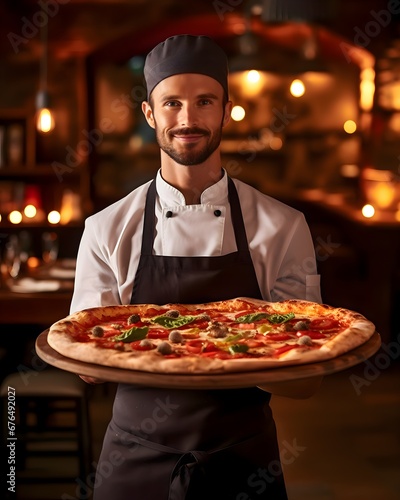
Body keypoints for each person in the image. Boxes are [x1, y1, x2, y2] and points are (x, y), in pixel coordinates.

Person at [71, 34, 322, 500]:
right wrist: (216, 346)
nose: (188, 119)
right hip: (134, 456)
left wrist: (213, 350)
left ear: (226, 109)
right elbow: (90, 368)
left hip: (244, 460)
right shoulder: (106, 228)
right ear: (150, 114)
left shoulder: (283, 226)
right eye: (172, 103)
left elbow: (305, 381)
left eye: (204, 101)